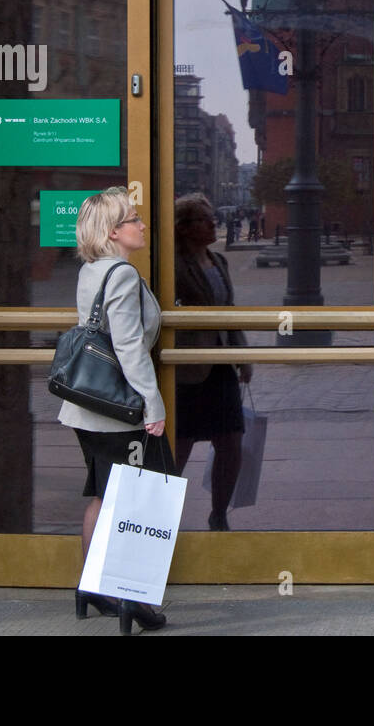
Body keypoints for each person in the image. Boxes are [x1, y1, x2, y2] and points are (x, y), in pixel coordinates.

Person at [64, 186, 173, 634]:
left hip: (87, 408)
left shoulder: (94, 270)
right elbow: (128, 345)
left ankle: (93, 586)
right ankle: (134, 599)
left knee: (103, 495)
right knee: (139, 501)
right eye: (133, 220)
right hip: (119, 410)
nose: (142, 225)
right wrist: (153, 404)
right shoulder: (123, 276)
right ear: (113, 231)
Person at [173, 194, 252, 531]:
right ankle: (158, 519)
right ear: (185, 228)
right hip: (189, 366)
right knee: (180, 446)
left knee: (232, 440)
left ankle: (219, 514)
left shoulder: (219, 261)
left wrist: (241, 356)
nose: (212, 223)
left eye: (211, 217)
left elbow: (228, 311)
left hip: (220, 363)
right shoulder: (173, 265)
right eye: (203, 219)